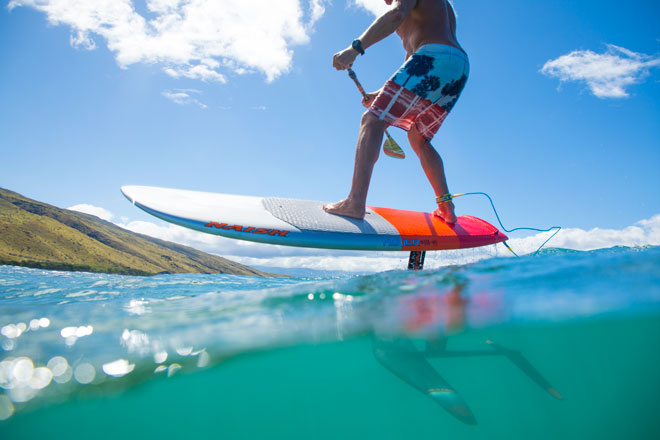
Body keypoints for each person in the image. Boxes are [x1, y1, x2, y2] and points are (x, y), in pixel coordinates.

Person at [323, 0, 468, 224]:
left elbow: (396, 15)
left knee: (372, 121)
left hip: (432, 57)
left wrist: (354, 49)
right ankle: (446, 206)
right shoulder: (443, 6)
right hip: (457, 65)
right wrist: (380, 94)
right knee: (419, 138)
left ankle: (355, 202)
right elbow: (412, 61)